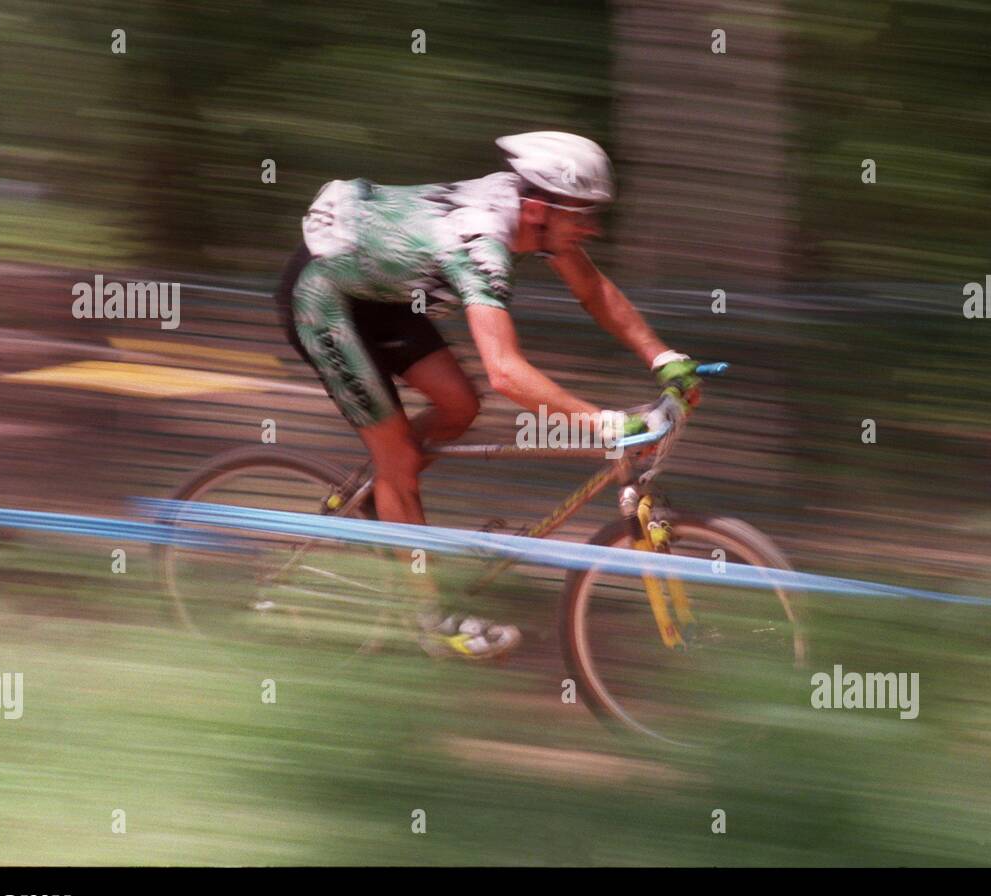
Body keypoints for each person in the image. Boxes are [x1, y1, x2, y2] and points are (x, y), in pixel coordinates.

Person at [275, 131, 699, 659]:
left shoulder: (531, 216)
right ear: (539, 208)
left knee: (460, 406)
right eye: (582, 214)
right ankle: (429, 620)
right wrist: (604, 423)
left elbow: (593, 291)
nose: (591, 227)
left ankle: (383, 495)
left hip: (381, 290)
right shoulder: (481, 245)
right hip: (324, 296)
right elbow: (506, 371)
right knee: (402, 457)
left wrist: (662, 357)